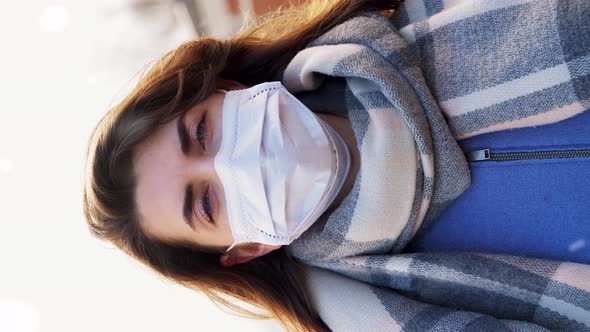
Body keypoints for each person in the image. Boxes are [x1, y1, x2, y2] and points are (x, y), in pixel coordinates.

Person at [83, 0, 590, 331]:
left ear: (229, 92)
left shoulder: (423, 13)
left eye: (200, 134)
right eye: (206, 201)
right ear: (247, 250)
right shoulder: (381, 312)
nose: (233, 164)